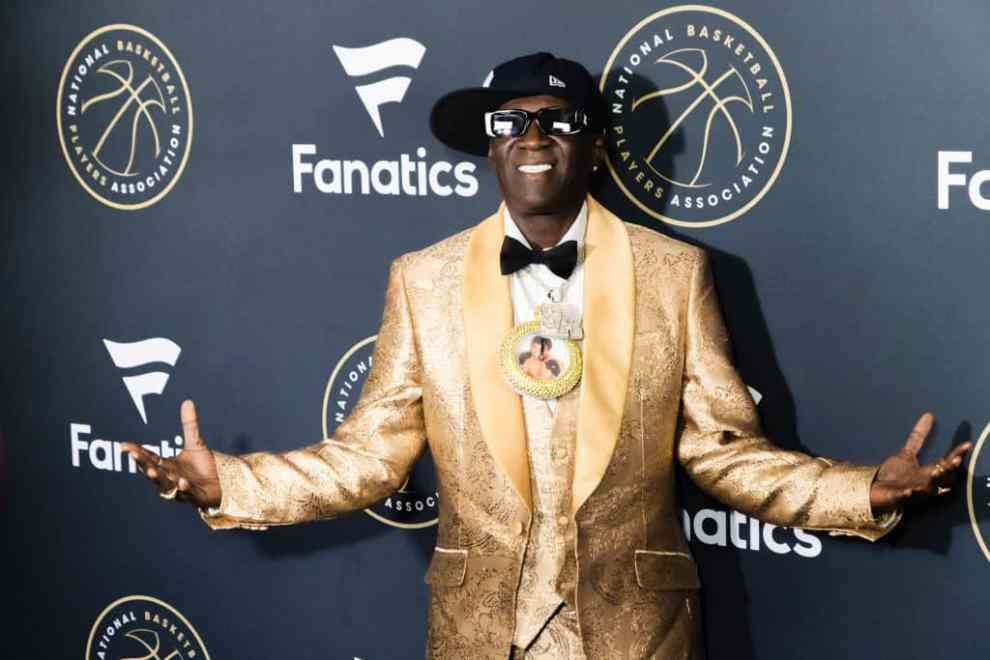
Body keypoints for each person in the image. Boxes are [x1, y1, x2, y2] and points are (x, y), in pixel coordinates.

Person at [123, 53, 971, 660]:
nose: (535, 137)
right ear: (489, 147)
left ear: (594, 144)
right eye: (512, 123)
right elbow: (371, 456)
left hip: (640, 635)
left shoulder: (674, 275)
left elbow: (725, 454)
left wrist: (862, 489)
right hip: (476, 633)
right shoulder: (422, 281)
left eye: (560, 122)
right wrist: (230, 484)